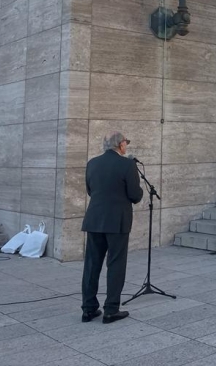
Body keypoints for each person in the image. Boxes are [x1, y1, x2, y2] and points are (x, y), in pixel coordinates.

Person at [81, 132, 143, 324]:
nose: (126, 146)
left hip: (94, 220)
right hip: (117, 222)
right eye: (126, 143)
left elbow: (90, 190)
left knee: (92, 265)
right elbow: (135, 195)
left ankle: (89, 309)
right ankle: (111, 310)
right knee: (115, 264)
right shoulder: (127, 165)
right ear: (120, 144)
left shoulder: (92, 163)